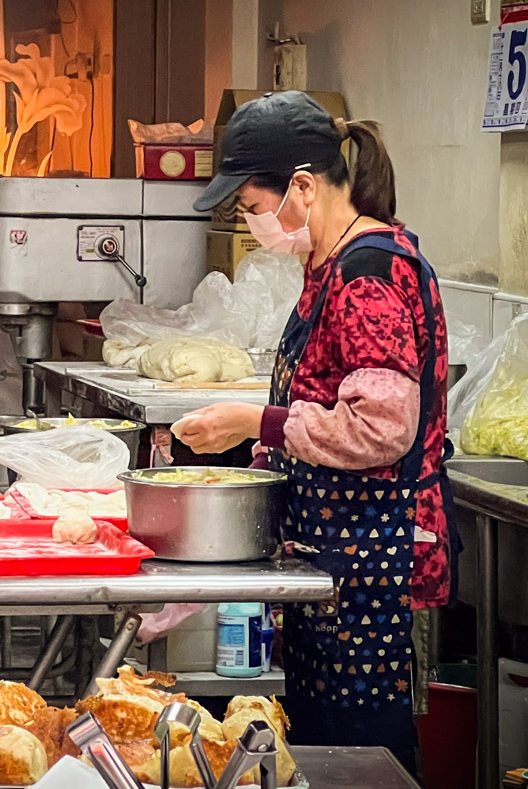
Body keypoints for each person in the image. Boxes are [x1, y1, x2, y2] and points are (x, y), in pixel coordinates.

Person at [180, 91, 456, 772]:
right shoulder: (327, 266)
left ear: (302, 187)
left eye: (250, 206)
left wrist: (256, 421)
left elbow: (382, 427)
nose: (251, 222)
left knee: (363, 761)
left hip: (373, 570)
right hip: (334, 564)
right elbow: (319, 402)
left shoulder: (369, 276)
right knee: (321, 755)